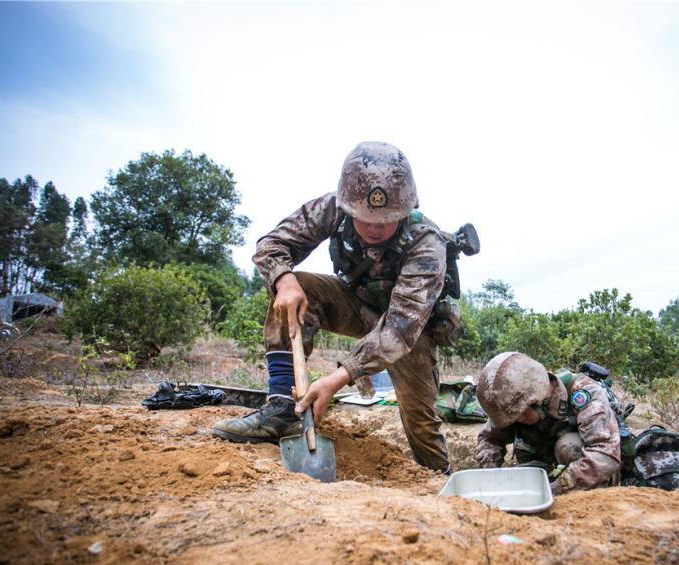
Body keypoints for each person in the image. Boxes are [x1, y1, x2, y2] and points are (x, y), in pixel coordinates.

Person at [212, 141, 463, 473]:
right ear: (349, 206)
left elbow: (399, 329)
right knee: (299, 285)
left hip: (406, 333)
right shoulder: (334, 208)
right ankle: (283, 410)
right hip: (356, 305)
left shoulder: (427, 244)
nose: (375, 228)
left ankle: (437, 477)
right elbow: (271, 245)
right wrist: (283, 279)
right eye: (364, 218)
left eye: (386, 220)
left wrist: (337, 379)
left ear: (405, 210)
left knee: (421, 422)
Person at [474, 352, 621, 495]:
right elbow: (489, 439)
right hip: (549, 465)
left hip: (590, 472)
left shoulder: (584, 393)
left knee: (569, 446)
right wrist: (491, 474)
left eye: (521, 415)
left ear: (538, 399)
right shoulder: (513, 403)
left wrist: (559, 487)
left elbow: (605, 454)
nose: (517, 420)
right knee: (522, 457)